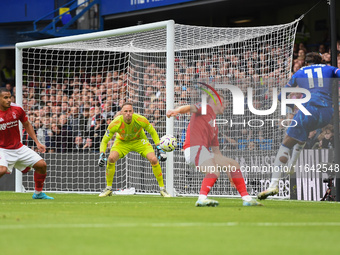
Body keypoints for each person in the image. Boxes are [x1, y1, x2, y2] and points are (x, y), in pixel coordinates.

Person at [258, 52, 340, 200]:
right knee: (303, 131)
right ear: (320, 60)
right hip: (327, 112)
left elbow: (280, 96)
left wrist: (293, 107)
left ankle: (273, 185)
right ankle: (291, 166)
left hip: (307, 108)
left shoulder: (300, 72)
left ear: (305, 63)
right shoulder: (330, 68)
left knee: (286, 143)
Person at [166, 96, 262, 207]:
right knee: (214, 171)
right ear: (215, 102)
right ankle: (201, 199)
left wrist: (228, 171)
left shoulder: (214, 126)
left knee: (234, 164)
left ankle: (247, 199)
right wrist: (176, 111)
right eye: (224, 103)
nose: (226, 106)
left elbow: (217, 153)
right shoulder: (205, 107)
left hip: (202, 151)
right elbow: (190, 108)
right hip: (194, 148)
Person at [97, 102, 171, 197]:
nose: (128, 113)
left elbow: (152, 131)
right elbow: (104, 140)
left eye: (130, 111)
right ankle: (108, 188)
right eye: (126, 111)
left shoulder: (140, 119)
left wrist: (159, 148)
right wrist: (102, 154)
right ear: (121, 112)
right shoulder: (115, 123)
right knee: (111, 158)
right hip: (122, 142)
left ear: (133, 112)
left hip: (139, 140)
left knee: (154, 159)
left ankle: (162, 189)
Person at [0, 88, 53, 199]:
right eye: (5, 97)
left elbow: (27, 124)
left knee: (42, 165)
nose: (9, 100)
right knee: (2, 170)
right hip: (2, 148)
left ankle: (38, 194)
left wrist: (37, 142)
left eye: (10, 97)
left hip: (18, 147)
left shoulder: (17, 109)